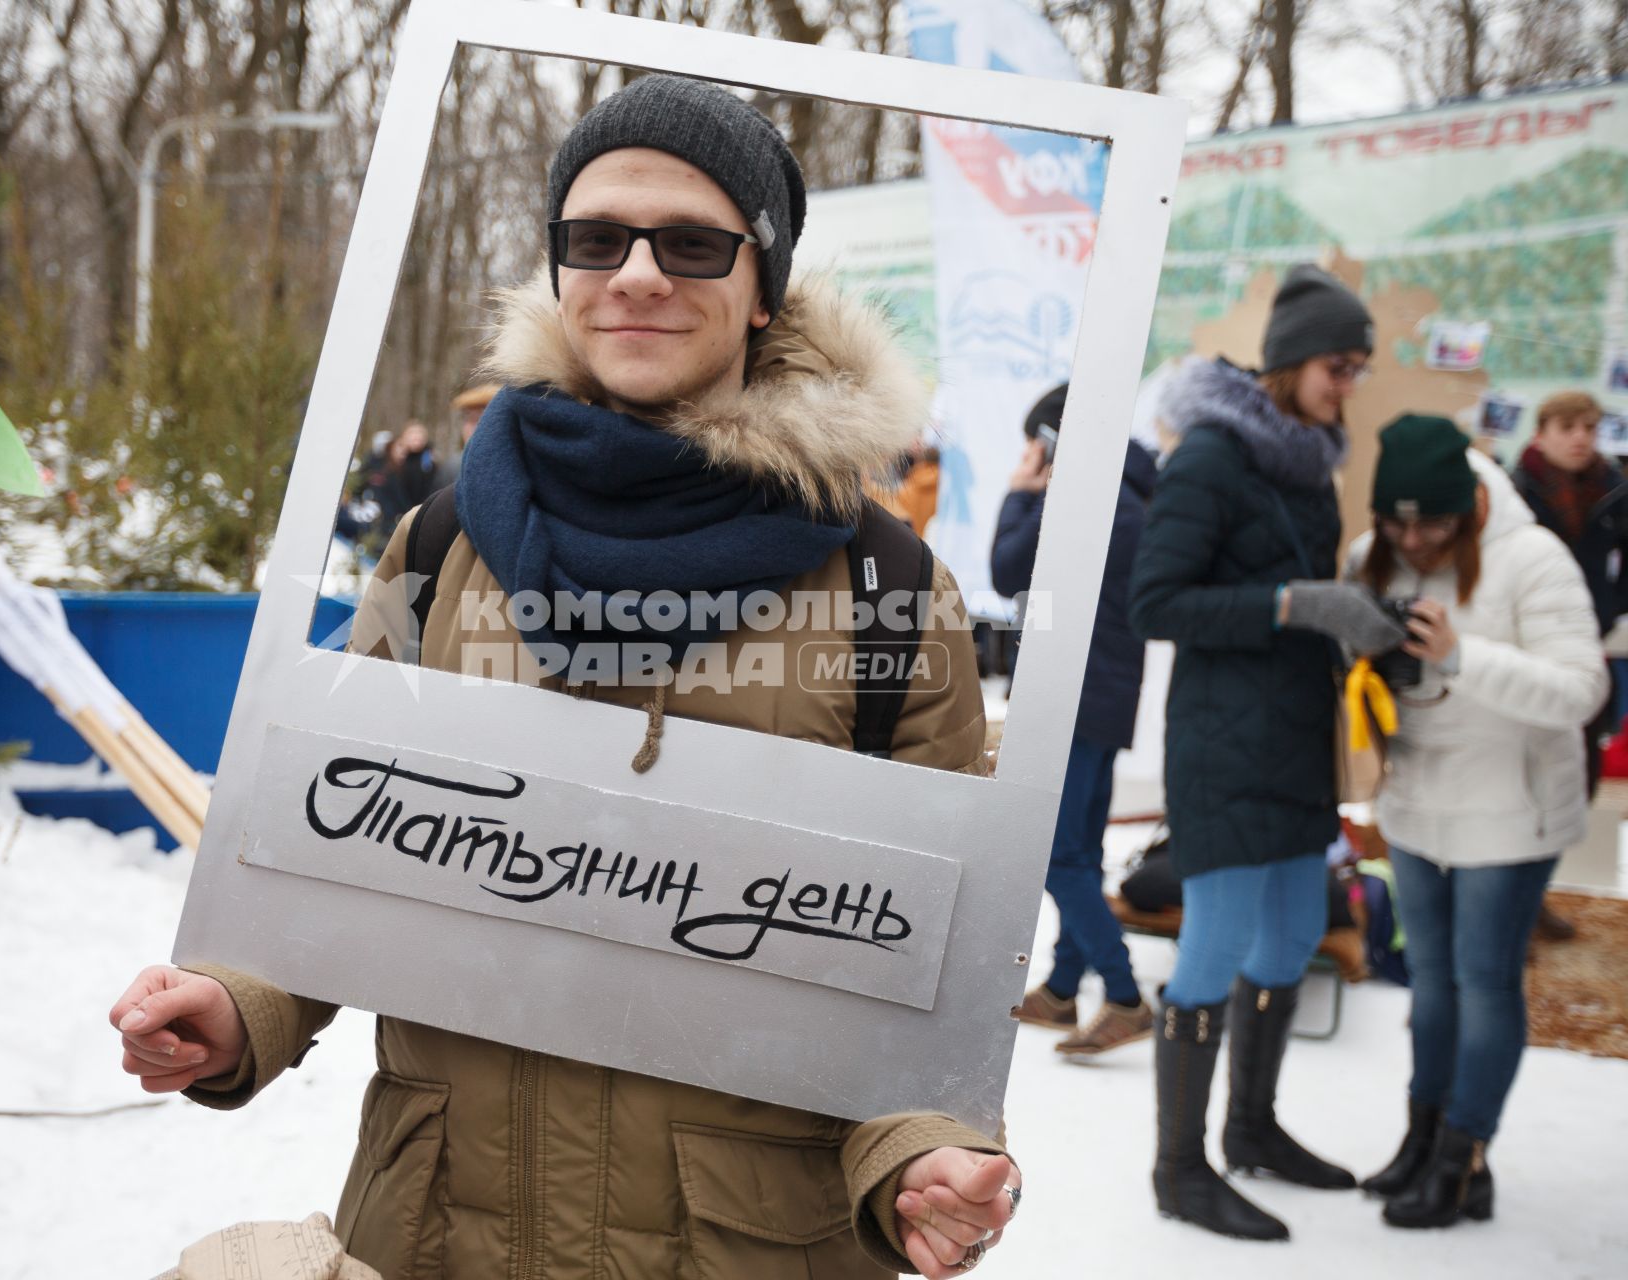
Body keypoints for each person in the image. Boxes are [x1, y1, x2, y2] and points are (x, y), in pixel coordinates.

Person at [108, 75, 1019, 1280]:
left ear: (764, 288)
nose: (638, 273)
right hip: (441, 1226)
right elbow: (325, 845)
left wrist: (925, 1155)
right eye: (597, 237)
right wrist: (236, 1006)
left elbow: (929, 963)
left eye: (693, 242)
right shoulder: (439, 542)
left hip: (744, 1242)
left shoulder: (888, 584)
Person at [1129, 264, 1407, 1241]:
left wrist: (1362, 616)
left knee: (1291, 937)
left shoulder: (1311, 461)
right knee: (1212, 946)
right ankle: (1178, 1166)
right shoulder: (1209, 454)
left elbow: (1303, 589)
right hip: (1222, 745)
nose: (1350, 384)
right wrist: (1294, 605)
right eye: (1341, 364)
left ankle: (1252, 1128)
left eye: (1359, 367)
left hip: (1297, 740)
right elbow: (1154, 601)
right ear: (1292, 362)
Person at [1348, 417, 1606, 1228]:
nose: (1414, 540)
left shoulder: (1533, 560)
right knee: (1428, 985)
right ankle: (1423, 1139)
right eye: (1397, 522)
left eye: (1434, 525)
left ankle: (1463, 1157)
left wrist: (1461, 654)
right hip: (1419, 803)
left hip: (1512, 813)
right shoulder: (1370, 555)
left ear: (1473, 512)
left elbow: (1581, 690)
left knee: (1484, 983)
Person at [994, 382, 1158, 1056]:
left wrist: (1019, 493)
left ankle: (1123, 996)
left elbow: (1007, 569)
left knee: (1055, 856)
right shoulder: (1133, 495)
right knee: (1081, 851)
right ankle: (1063, 989)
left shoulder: (1085, 500)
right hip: (1104, 695)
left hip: (1073, 695)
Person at [1508, 390, 1628, 793]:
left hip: (1592, 637)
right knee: (1527, 750)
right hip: (1527, 635)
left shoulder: (1614, 492)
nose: (1580, 438)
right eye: (1567, 427)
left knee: (1584, 756)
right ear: (1541, 434)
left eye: (1589, 428)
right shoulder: (1515, 492)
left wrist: (1613, 608)